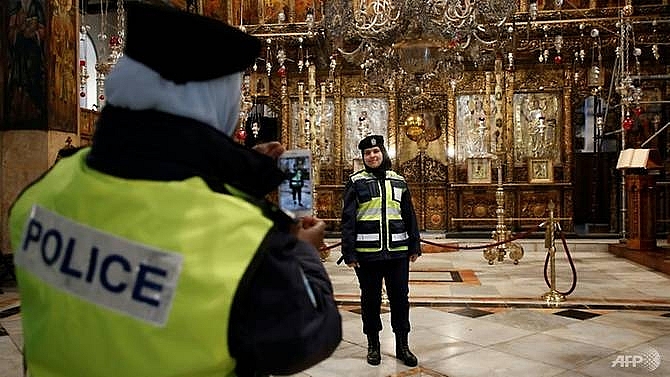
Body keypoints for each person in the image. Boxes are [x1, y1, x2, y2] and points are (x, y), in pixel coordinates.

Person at [9, 3, 341, 377]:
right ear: (216, 105)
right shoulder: (239, 242)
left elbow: (150, 174)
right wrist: (302, 253)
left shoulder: (42, 194)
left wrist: (234, 170)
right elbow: (311, 333)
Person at [340, 134, 421, 367]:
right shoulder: (356, 182)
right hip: (368, 253)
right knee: (370, 300)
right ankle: (373, 345)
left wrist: (414, 245)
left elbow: (409, 216)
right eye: (367, 153)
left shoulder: (399, 180)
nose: (372, 156)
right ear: (363, 157)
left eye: (376, 152)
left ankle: (402, 346)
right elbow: (348, 220)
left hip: (397, 252)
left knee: (400, 299)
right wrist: (349, 252)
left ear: (383, 153)